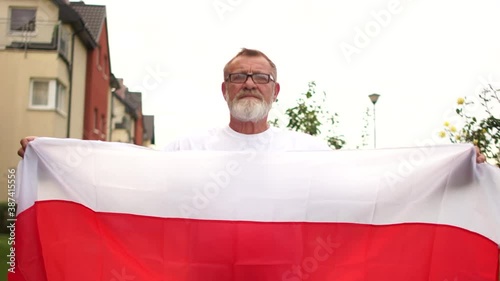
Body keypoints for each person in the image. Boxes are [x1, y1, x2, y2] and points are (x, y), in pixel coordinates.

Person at [17, 48, 487, 162]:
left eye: (260, 77)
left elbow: (375, 183)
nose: (249, 83)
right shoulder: (186, 149)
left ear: (275, 92)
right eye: (238, 77)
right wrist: (52, 155)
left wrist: (454, 164)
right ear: (224, 90)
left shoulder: (310, 151)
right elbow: (125, 175)